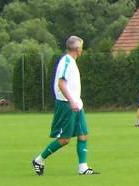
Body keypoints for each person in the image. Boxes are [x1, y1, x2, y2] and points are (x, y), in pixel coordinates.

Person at [32, 36, 98, 175]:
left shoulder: (71, 62)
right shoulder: (66, 62)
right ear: (78, 49)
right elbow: (61, 83)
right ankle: (39, 160)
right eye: (82, 47)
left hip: (76, 104)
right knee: (64, 139)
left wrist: (76, 101)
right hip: (67, 104)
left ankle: (83, 168)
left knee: (83, 134)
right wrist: (71, 101)